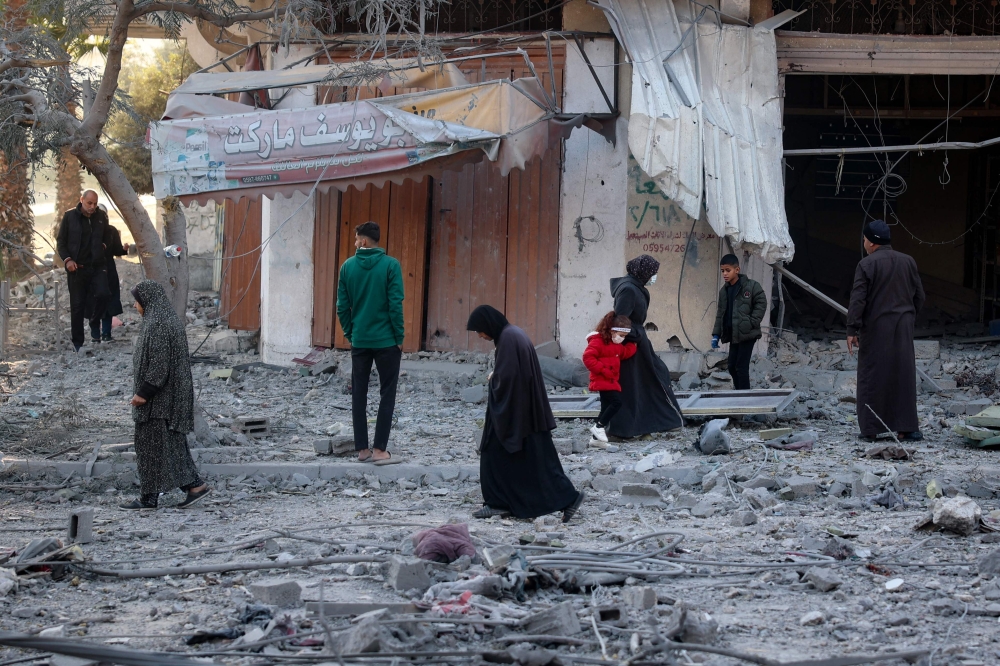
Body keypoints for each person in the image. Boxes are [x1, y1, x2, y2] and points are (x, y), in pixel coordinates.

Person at [467, 305, 584, 522]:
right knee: (537, 462)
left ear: (488, 325)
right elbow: (512, 370)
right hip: (526, 412)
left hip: (517, 414)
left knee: (495, 453)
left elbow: (508, 378)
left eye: (479, 330)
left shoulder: (509, 338)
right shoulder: (511, 334)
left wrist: (495, 379)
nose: (480, 335)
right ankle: (566, 498)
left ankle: (499, 504)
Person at [122, 280, 210, 510]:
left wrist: (144, 393)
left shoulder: (159, 323)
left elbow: (160, 365)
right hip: (167, 399)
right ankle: (190, 487)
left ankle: (154, 497)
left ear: (147, 300)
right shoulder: (162, 318)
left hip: (159, 401)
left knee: (152, 448)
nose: (134, 305)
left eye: (137, 300)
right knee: (166, 447)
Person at [847, 219, 925, 442]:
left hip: (875, 329)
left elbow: (858, 299)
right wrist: (908, 318)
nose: (864, 243)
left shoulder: (867, 265)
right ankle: (907, 427)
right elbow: (919, 296)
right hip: (903, 328)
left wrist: (852, 328)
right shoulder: (908, 261)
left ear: (871, 242)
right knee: (903, 375)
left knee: (872, 376)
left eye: (864, 239)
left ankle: (871, 429)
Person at [336, 221, 404, 465]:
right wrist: (399, 337)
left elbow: (342, 307)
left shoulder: (347, 267)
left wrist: (351, 334)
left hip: (361, 340)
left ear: (363, 241)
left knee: (359, 393)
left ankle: (362, 449)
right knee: (387, 393)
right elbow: (395, 305)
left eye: (356, 239)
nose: (355, 243)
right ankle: (380, 450)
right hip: (387, 341)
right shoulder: (391, 265)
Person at [607, 255, 684, 438]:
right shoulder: (628, 290)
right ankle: (624, 431)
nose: (654, 277)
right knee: (635, 387)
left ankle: (660, 423)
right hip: (631, 347)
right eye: (653, 273)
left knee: (654, 378)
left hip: (638, 343)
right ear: (644, 272)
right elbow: (620, 322)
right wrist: (635, 337)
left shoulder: (635, 287)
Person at [56, 190, 110, 351]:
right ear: (82, 200)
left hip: (97, 266)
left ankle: (94, 321)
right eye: (89, 203)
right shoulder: (69, 217)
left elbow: (108, 235)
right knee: (77, 305)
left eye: (95, 203)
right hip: (77, 269)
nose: (92, 207)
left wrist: (104, 246)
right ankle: (77, 343)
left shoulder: (101, 217)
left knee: (104, 294)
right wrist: (67, 260)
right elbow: (61, 241)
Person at [711, 254, 768, 390]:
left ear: (737, 270)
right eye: (722, 271)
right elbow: (720, 314)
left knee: (741, 367)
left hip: (748, 334)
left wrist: (752, 321)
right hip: (734, 335)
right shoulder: (724, 291)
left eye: (728, 270)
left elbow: (761, 302)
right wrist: (716, 335)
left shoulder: (751, 286)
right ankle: (739, 393)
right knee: (731, 366)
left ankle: (744, 398)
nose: (725, 273)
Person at [582, 312, 637, 446]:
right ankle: (599, 427)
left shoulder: (615, 344)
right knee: (616, 402)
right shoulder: (597, 341)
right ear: (612, 331)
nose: (622, 339)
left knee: (605, 407)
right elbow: (587, 357)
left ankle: (595, 440)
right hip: (603, 379)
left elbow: (624, 353)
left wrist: (633, 345)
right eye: (621, 335)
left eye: (624, 337)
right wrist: (603, 370)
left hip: (610, 380)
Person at [92, 206, 130, 343]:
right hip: (93, 270)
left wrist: (124, 250)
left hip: (108, 271)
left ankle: (105, 334)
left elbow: (117, 250)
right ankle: (95, 336)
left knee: (107, 301)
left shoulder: (111, 231)